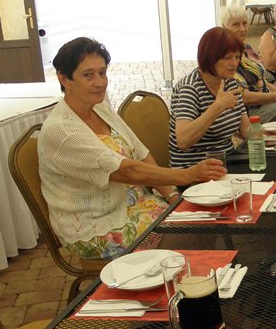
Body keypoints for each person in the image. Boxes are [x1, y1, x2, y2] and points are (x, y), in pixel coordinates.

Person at [38, 37, 226, 260]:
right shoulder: (61, 130)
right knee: (190, 237)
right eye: (88, 75)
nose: (100, 82)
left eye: (102, 72)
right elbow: (125, 170)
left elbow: (140, 152)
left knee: (205, 219)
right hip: (96, 227)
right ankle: (185, 287)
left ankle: (196, 286)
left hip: (139, 206)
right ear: (63, 78)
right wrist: (187, 174)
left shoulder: (100, 109)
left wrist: (173, 194)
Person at [170, 27, 251, 169]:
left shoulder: (230, 83)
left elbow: (246, 131)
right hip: (195, 171)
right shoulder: (190, 88)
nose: (234, 63)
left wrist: (270, 135)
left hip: (228, 163)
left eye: (237, 57)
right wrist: (217, 107)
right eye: (227, 58)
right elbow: (183, 140)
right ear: (210, 57)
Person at [221, 5, 276, 123]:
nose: (242, 29)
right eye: (236, 24)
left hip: (266, 101)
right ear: (224, 27)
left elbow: (260, 79)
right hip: (249, 112)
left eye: (245, 23)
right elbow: (244, 98)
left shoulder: (246, 48)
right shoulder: (225, 55)